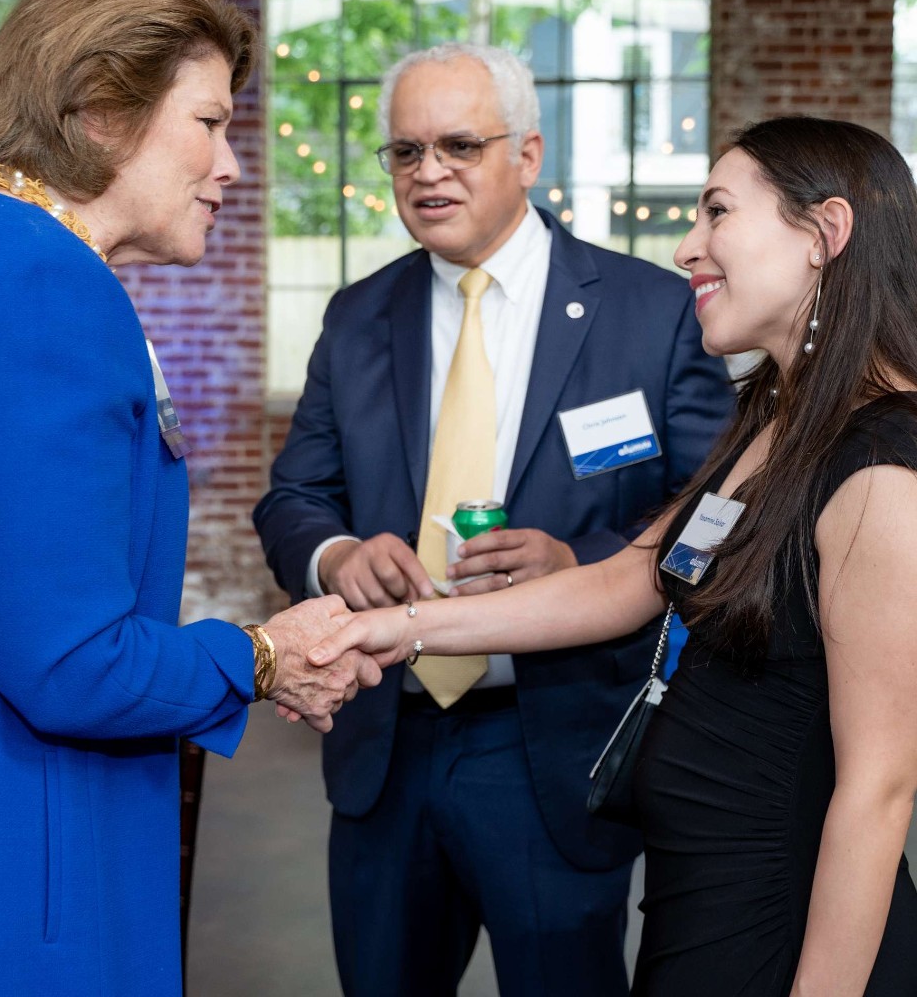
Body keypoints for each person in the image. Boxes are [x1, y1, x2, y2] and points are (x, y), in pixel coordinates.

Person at [0, 0, 379, 996]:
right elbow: (72, 663)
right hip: (4, 876)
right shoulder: (50, 285)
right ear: (98, 112)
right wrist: (262, 656)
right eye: (210, 124)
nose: (232, 166)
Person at [309, 115, 917, 996]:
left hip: (779, 921)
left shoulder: (882, 467)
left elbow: (879, 792)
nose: (687, 248)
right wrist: (393, 630)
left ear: (825, 234)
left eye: (715, 213)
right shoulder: (776, 421)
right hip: (694, 901)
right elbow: (630, 578)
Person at [253, 42, 733, 996]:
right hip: (385, 746)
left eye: (460, 145)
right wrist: (337, 555)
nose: (428, 171)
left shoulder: (649, 313)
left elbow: (719, 512)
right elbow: (292, 498)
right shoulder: (358, 317)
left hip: (555, 745)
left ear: (529, 154)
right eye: (405, 151)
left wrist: (581, 560)